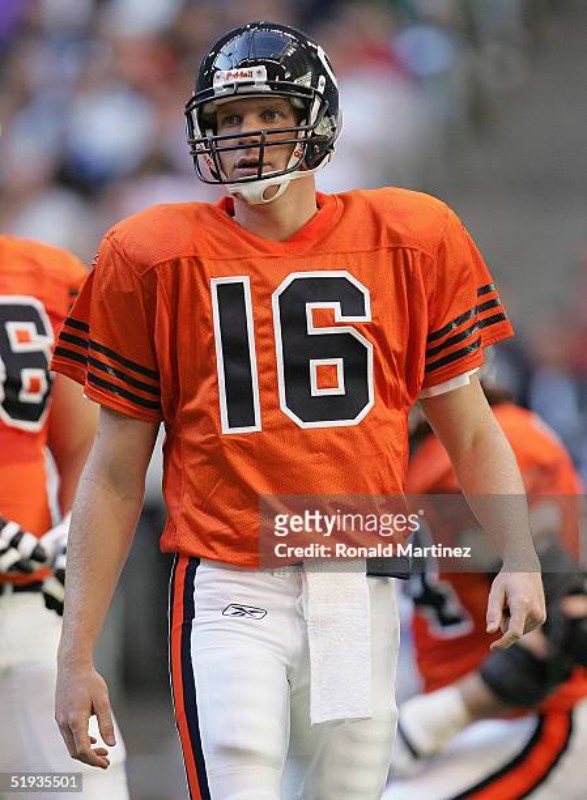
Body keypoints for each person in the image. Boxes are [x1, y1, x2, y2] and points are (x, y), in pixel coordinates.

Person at [51, 20, 545, 800]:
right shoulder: (152, 255)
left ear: (315, 119)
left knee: (346, 791)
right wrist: (75, 654)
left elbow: (471, 426)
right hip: (229, 581)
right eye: (228, 118)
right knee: (240, 777)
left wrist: (519, 553)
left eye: (267, 113)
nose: (246, 134)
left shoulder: (410, 236)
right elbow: (114, 474)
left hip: (354, 577)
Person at [386, 384, 587, 799]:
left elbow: (569, 622)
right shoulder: (419, 450)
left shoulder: (489, 449)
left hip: (540, 714)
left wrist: (439, 717)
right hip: (475, 722)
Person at [0, 235, 129, 800]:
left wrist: (66, 541)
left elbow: (85, 445)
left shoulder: (43, 275)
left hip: (26, 605)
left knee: (73, 786)